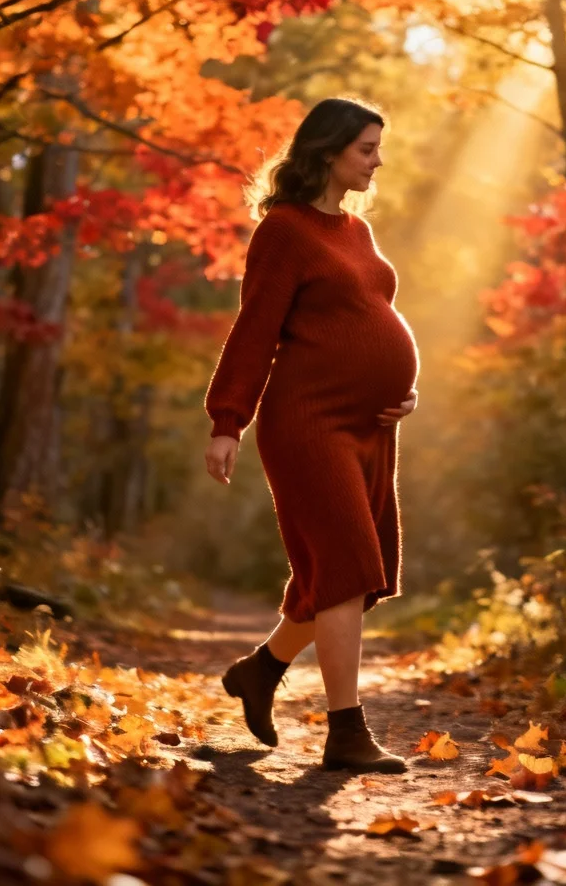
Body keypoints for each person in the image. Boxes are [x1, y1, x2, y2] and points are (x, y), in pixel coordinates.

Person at [203, 97, 420, 774]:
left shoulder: (355, 231)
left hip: (368, 427)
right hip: (308, 421)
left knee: (347, 575)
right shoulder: (285, 232)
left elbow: (368, 313)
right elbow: (256, 330)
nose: (377, 160)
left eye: (378, 147)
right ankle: (345, 733)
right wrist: (228, 421)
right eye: (366, 148)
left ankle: (260, 671)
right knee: (347, 569)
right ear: (327, 152)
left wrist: (400, 391)